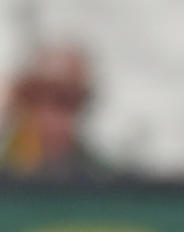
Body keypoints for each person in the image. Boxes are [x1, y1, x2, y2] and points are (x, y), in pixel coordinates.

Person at [0, 43, 107, 182]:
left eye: (64, 102)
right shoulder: (9, 162)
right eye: (35, 100)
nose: (48, 116)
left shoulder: (99, 177)